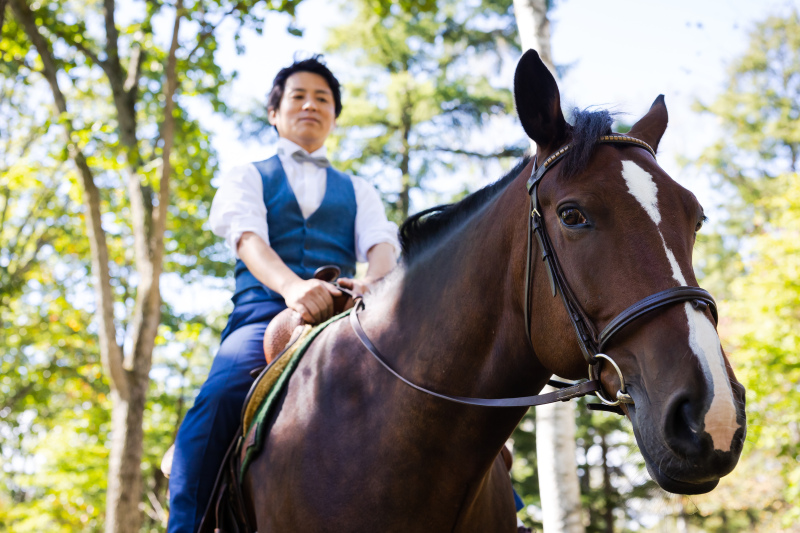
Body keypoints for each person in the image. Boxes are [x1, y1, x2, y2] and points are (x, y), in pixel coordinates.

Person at [167, 55, 399, 533]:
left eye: (323, 99)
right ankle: (185, 525)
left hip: (345, 315)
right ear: (275, 112)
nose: (311, 105)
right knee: (222, 395)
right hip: (263, 314)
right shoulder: (247, 175)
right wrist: (294, 288)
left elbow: (382, 245)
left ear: (334, 115)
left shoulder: (359, 188)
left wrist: (373, 281)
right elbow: (248, 238)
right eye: (298, 96)